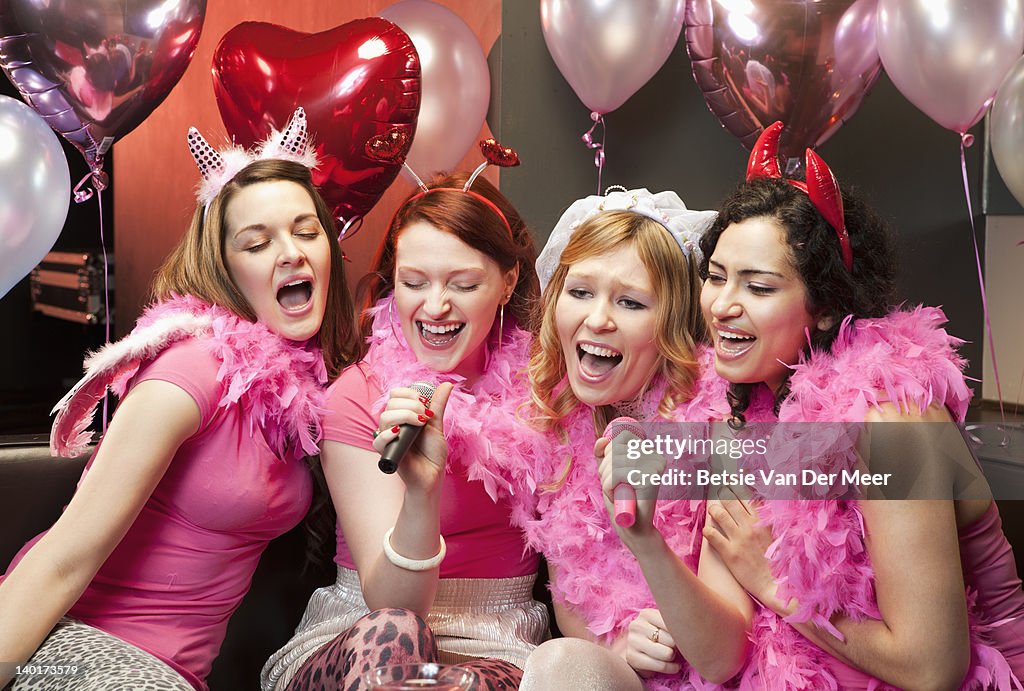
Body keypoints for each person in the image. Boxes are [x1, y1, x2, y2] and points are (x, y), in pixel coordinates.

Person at [0, 107, 359, 691]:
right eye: (257, 241)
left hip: (173, 675)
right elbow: (62, 558)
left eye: (305, 230)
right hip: (75, 640)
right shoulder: (190, 369)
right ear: (226, 268)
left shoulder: (309, 389)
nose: (290, 252)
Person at [694, 120, 1024, 688]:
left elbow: (932, 666)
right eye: (716, 277)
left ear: (823, 308)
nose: (723, 305)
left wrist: (773, 581)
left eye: (759, 286)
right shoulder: (751, 406)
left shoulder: (892, 416)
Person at [261, 149, 551, 691]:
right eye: (414, 283)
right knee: (398, 633)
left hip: (496, 644)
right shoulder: (359, 394)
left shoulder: (549, 396)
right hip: (359, 639)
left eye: (463, 285)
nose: (435, 306)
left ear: (508, 281)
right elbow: (395, 604)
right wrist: (422, 492)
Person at [517, 188, 753, 690]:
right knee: (562, 664)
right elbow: (571, 603)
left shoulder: (723, 425)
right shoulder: (556, 422)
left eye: (630, 301)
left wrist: (644, 540)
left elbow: (722, 659)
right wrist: (615, 646)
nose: (598, 319)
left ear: (671, 321)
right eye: (580, 292)